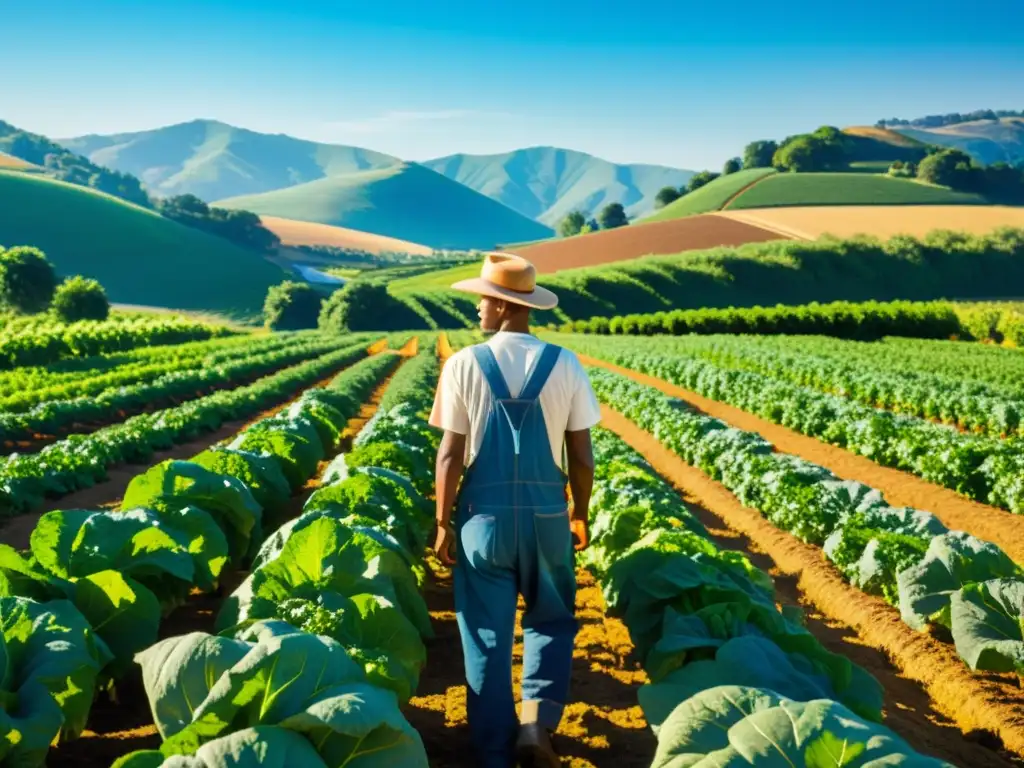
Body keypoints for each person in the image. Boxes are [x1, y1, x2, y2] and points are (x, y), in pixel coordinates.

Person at [429, 252, 600, 768]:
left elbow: (450, 455)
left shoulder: (463, 364)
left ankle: (492, 752)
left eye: (484, 298)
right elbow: (582, 456)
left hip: (484, 521)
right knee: (550, 620)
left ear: (504, 306)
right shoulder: (564, 363)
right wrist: (579, 513)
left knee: (485, 633)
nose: (478, 307)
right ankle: (535, 724)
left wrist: (442, 523)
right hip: (548, 518)